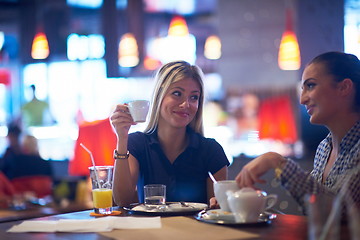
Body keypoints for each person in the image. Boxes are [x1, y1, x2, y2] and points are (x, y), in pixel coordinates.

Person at [235, 51, 360, 213]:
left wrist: (277, 161)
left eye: (311, 85)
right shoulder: (324, 148)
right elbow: (315, 209)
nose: (302, 99)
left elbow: (340, 212)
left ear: (344, 87)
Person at [110, 60, 229, 207]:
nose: (186, 104)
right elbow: (122, 201)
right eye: (177, 94)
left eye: (194, 97)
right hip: (151, 229)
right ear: (159, 96)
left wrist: (220, 203)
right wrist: (122, 138)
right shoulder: (137, 144)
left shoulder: (211, 150)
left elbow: (217, 211)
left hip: (195, 230)